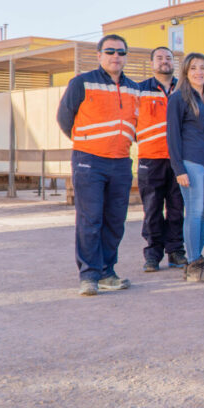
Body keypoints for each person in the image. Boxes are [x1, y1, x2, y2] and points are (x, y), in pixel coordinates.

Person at [56, 34, 140, 296]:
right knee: (90, 219)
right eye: (110, 51)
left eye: (121, 52)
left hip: (121, 162)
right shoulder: (81, 82)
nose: (116, 56)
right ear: (99, 55)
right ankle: (89, 275)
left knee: (115, 220)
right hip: (89, 161)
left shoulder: (134, 88)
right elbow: (64, 119)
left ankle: (107, 271)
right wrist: (87, 143)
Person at [166, 52, 204, 283]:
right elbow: (172, 136)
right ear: (185, 72)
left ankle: (194, 261)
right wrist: (178, 168)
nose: (199, 72)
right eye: (193, 68)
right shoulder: (178, 98)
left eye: (203, 68)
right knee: (195, 209)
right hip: (190, 162)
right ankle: (194, 264)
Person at [136, 46, 187, 272]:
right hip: (151, 159)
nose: (164, 61)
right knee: (153, 208)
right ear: (152, 63)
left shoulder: (184, 88)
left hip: (179, 159)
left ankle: (176, 251)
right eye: (159, 58)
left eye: (168, 58)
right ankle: (153, 254)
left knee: (177, 207)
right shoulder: (139, 90)